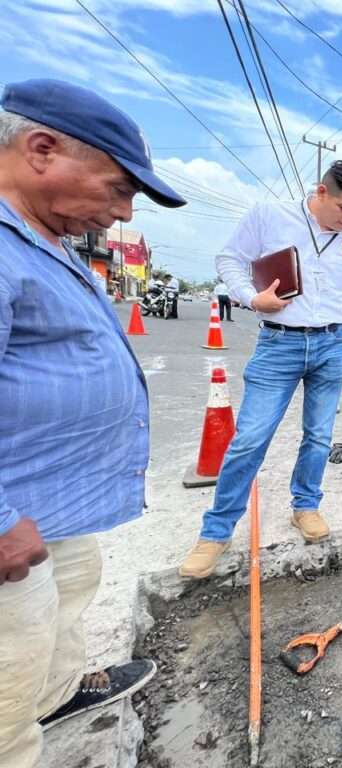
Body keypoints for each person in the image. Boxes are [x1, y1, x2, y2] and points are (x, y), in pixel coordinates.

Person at [0, 78, 186, 767]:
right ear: (42, 149)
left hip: (48, 508)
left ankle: (56, 696)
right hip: (10, 526)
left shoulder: (38, 240)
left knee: (63, 611)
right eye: (116, 188)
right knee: (4, 681)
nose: (121, 213)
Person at [179, 160, 342, 578]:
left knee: (319, 436)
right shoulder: (270, 216)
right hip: (279, 343)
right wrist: (252, 298)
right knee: (250, 438)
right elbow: (229, 259)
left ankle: (305, 506)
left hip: (332, 344)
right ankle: (215, 531)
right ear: (321, 192)